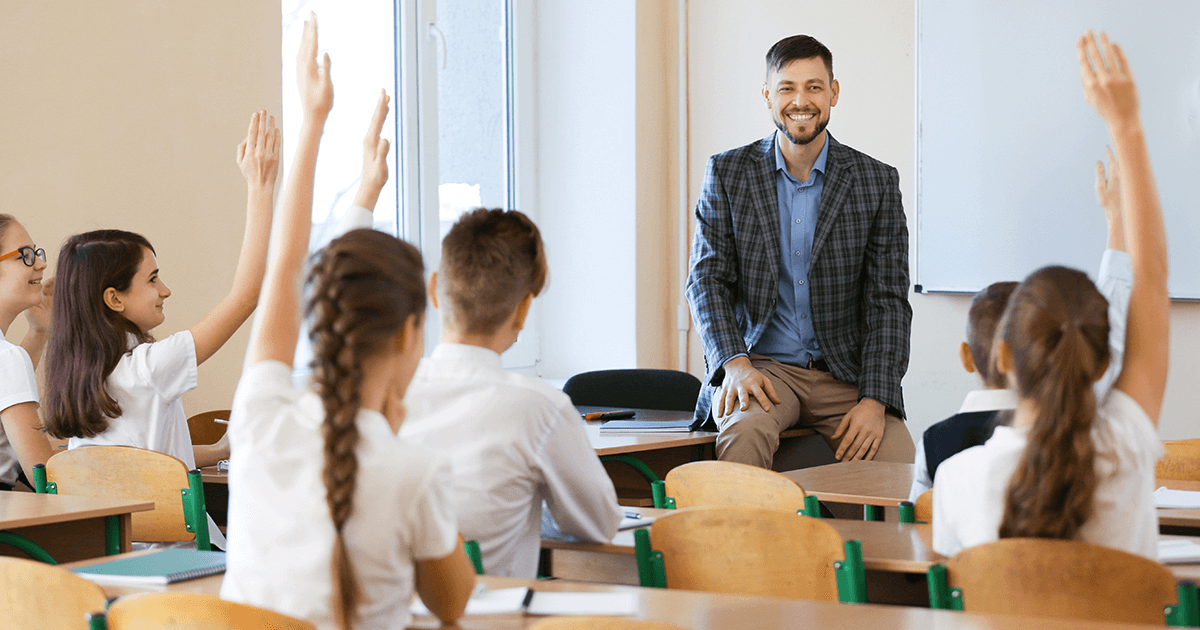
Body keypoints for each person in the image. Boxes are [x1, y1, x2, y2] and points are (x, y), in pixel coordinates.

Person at [219, 16, 474, 630]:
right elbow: (454, 604)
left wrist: (312, 122)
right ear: (413, 332)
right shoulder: (411, 472)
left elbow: (285, 266)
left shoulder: (260, 417)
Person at [933, 32, 1168, 560]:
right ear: (1104, 358)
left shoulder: (956, 480)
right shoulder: (1126, 454)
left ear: (1003, 356)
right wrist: (1126, 126)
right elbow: (1152, 279)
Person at [686, 34, 914, 468]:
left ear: (834, 93)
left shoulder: (876, 181)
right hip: (762, 368)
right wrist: (734, 363)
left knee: (899, 466)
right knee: (743, 431)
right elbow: (706, 280)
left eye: (814, 86)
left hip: (843, 375)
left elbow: (887, 303)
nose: (801, 100)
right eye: (787, 87)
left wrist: (875, 400)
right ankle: (737, 538)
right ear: (767, 95)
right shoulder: (727, 172)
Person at [402, 207, 623, 578]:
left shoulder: (387, 393)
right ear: (523, 309)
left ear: (433, 291)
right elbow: (599, 523)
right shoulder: (541, 408)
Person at [909, 153, 1133, 502]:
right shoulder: (1076, 433)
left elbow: (919, 523)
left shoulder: (935, 446)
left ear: (968, 356)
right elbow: (1114, 332)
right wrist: (1117, 218)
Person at [0, 216, 54, 491]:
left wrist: (39, 332)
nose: (42, 264)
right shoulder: (7, 358)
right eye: (26, 255)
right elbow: (45, 479)